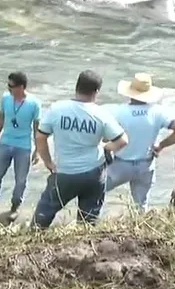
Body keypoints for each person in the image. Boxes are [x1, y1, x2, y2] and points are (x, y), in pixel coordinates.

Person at [32, 70, 129, 229]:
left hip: (64, 172)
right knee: (88, 219)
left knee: (44, 212)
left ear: (76, 87)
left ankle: (34, 237)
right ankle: (85, 243)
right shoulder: (101, 114)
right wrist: (106, 147)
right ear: (96, 91)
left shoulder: (57, 109)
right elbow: (123, 140)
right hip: (93, 174)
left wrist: (48, 162)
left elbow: (40, 137)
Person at [105, 73, 175, 211]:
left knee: (96, 192)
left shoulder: (119, 112)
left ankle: (91, 223)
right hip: (146, 165)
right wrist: (161, 145)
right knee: (141, 206)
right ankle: (138, 228)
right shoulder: (157, 112)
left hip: (120, 165)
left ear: (130, 93)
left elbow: (104, 136)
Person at [0, 72, 42, 220]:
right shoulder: (6, 99)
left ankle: (14, 207)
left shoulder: (34, 103)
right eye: (7, 85)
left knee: (21, 180)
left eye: (11, 86)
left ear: (21, 87)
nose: (8, 89)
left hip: (23, 147)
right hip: (5, 143)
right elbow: (1, 119)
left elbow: (37, 128)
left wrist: (38, 151)